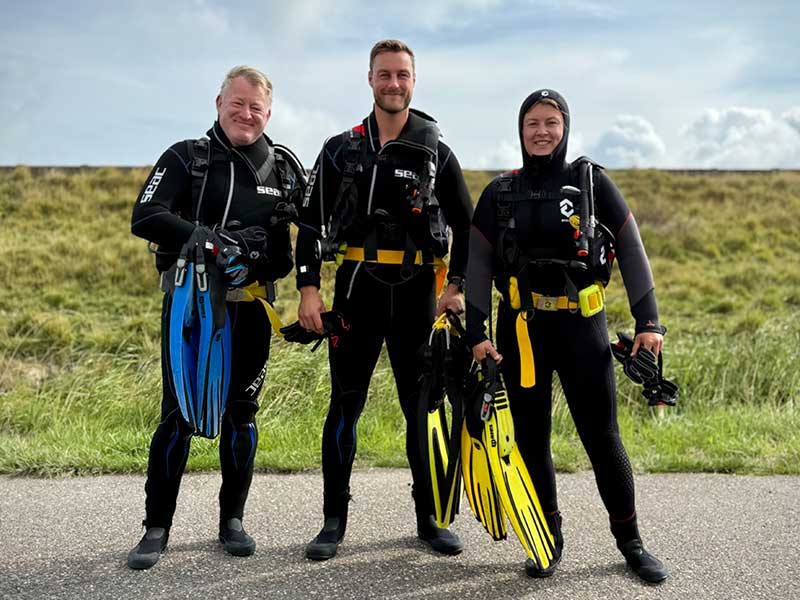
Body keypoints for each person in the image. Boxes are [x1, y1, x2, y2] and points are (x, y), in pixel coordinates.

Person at [465, 88, 669, 583]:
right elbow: (477, 267)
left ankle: (631, 541)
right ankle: (546, 538)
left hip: (583, 329)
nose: (541, 131)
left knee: (603, 438)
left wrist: (650, 325)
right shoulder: (500, 192)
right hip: (522, 331)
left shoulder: (592, 183)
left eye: (551, 122)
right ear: (521, 129)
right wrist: (478, 334)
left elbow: (633, 249)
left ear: (565, 127)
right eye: (532, 122)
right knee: (532, 439)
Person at [295, 39, 474, 560]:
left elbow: (467, 225)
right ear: (369, 79)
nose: (393, 84)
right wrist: (309, 287)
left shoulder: (437, 151)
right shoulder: (340, 148)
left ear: (414, 81)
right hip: (356, 289)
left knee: (423, 410)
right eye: (384, 75)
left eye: (402, 75)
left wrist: (455, 285)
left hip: (418, 293)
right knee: (344, 407)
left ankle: (430, 518)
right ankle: (333, 521)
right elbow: (309, 221)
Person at [128, 66, 305, 570]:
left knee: (242, 414)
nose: (245, 114)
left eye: (256, 107)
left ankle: (232, 521)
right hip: (192, 309)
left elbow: (283, 260)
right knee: (178, 415)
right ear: (218, 102)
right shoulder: (188, 157)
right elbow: (146, 215)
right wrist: (208, 239)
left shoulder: (281, 169)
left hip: (250, 310)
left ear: (268, 113)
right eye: (237, 103)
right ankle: (156, 528)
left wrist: (250, 254)